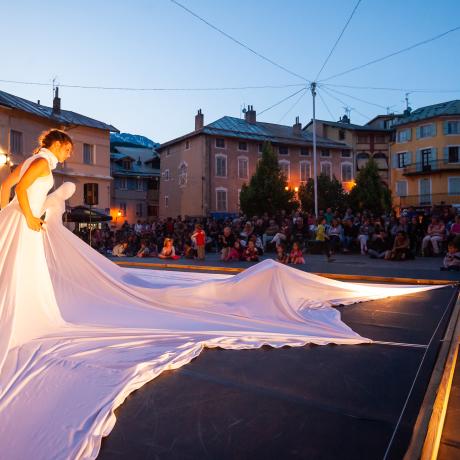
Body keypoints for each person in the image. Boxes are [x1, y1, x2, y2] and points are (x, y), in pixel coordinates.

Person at [0, 129, 440, 459]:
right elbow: (19, 192)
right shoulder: (38, 163)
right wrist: (33, 218)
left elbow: (7, 189)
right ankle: (28, 319)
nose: (68, 153)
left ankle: (26, 317)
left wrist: (26, 213)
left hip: (25, 226)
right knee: (29, 278)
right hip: (29, 226)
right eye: (67, 149)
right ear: (55, 144)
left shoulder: (26, 163)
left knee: (26, 278)